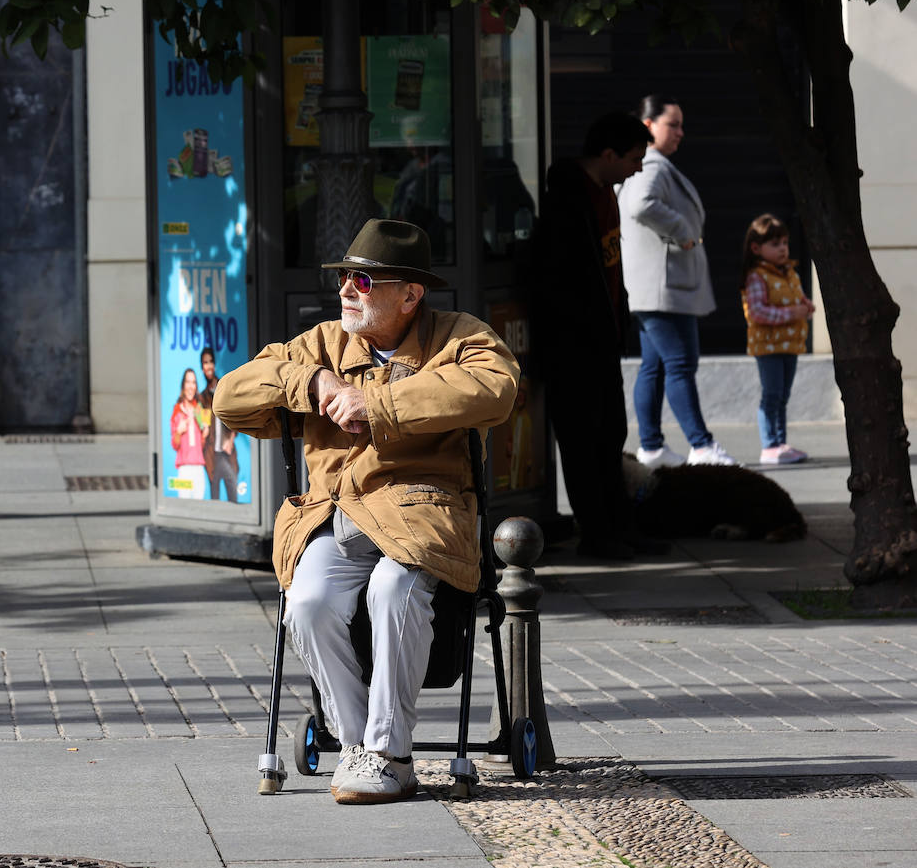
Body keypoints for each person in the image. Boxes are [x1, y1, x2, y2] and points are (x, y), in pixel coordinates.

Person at [214, 219, 519, 805]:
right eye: (344, 278)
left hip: (420, 510)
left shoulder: (458, 336)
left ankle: (389, 752)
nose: (346, 290)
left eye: (363, 281)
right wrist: (314, 383)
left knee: (392, 589)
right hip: (335, 511)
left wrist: (376, 402)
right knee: (307, 600)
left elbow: (496, 388)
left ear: (410, 294)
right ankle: (358, 745)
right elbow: (230, 397)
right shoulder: (321, 343)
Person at [532, 112, 665, 561]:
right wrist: (582, 332)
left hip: (602, 340)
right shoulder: (568, 201)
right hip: (573, 345)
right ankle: (597, 533)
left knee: (610, 437)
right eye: (634, 158)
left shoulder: (605, 193)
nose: (638, 168)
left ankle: (619, 527)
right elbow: (559, 280)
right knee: (583, 441)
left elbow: (609, 270)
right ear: (608, 154)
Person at [619, 94, 736, 467]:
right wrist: (683, 231)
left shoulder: (646, 164)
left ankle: (652, 447)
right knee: (680, 364)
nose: (681, 132)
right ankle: (702, 446)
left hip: (656, 287)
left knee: (654, 367)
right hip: (663, 288)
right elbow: (641, 204)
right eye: (673, 124)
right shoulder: (651, 164)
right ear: (648, 125)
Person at [740, 214, 813, 465]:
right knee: (771, 396)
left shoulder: (789, 273)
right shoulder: (756, 276)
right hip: (768, 347)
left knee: (782, 396)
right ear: (756, 248)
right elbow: (757, 312)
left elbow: (796, 298)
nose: (782, 248)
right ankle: (769, 445)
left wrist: (805, 305)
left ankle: (780, 443)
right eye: (775, 244)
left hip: (789, 344)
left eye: (784, 243)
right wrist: (793, 313)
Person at [198, 348, 239, 502]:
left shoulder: (224, 387)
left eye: (210, 362)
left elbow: (235, 414)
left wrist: (230, 440)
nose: (208, 366)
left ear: (214, 364)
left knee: (233, 494)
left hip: (227, 452)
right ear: (202, 367)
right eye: (205, 363)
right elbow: (204, 423)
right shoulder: (203, 397)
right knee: (214, 497)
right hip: (212, 455)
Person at [169, 367, 209, 499]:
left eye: (193, 382)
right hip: (184, 469)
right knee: (184, 505)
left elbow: (202, 445)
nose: (191, 386)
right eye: (188, 382)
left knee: (200, 506)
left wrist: (205, 435)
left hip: (199, 468)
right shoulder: (177, 411)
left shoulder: (199, 410)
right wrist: (178, 432)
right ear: (183, 385)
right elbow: (175, 445)